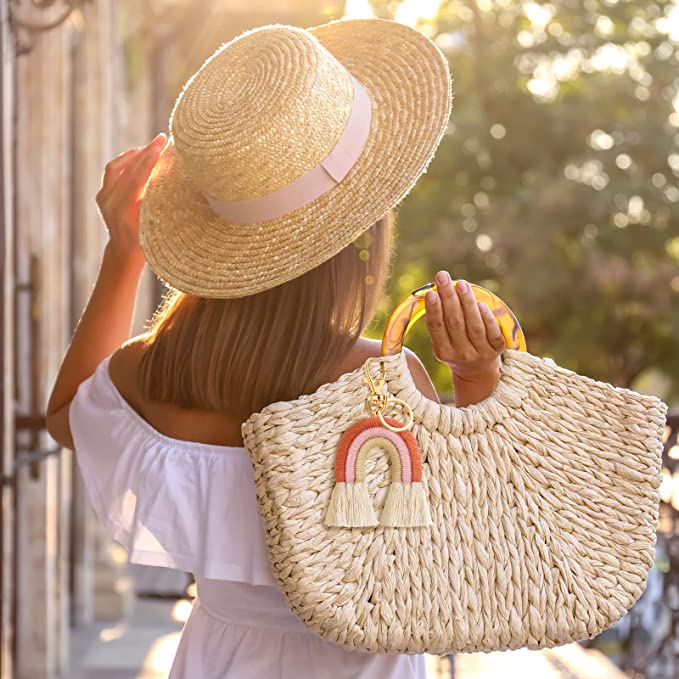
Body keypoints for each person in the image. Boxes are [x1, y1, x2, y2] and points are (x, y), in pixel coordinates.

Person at [46, 18, 506, 679]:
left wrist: (123, 255)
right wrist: (476, 379)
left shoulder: (148, 373)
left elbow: (68, 414)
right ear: (359, 232)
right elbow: (466, 556)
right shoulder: (380, 380)